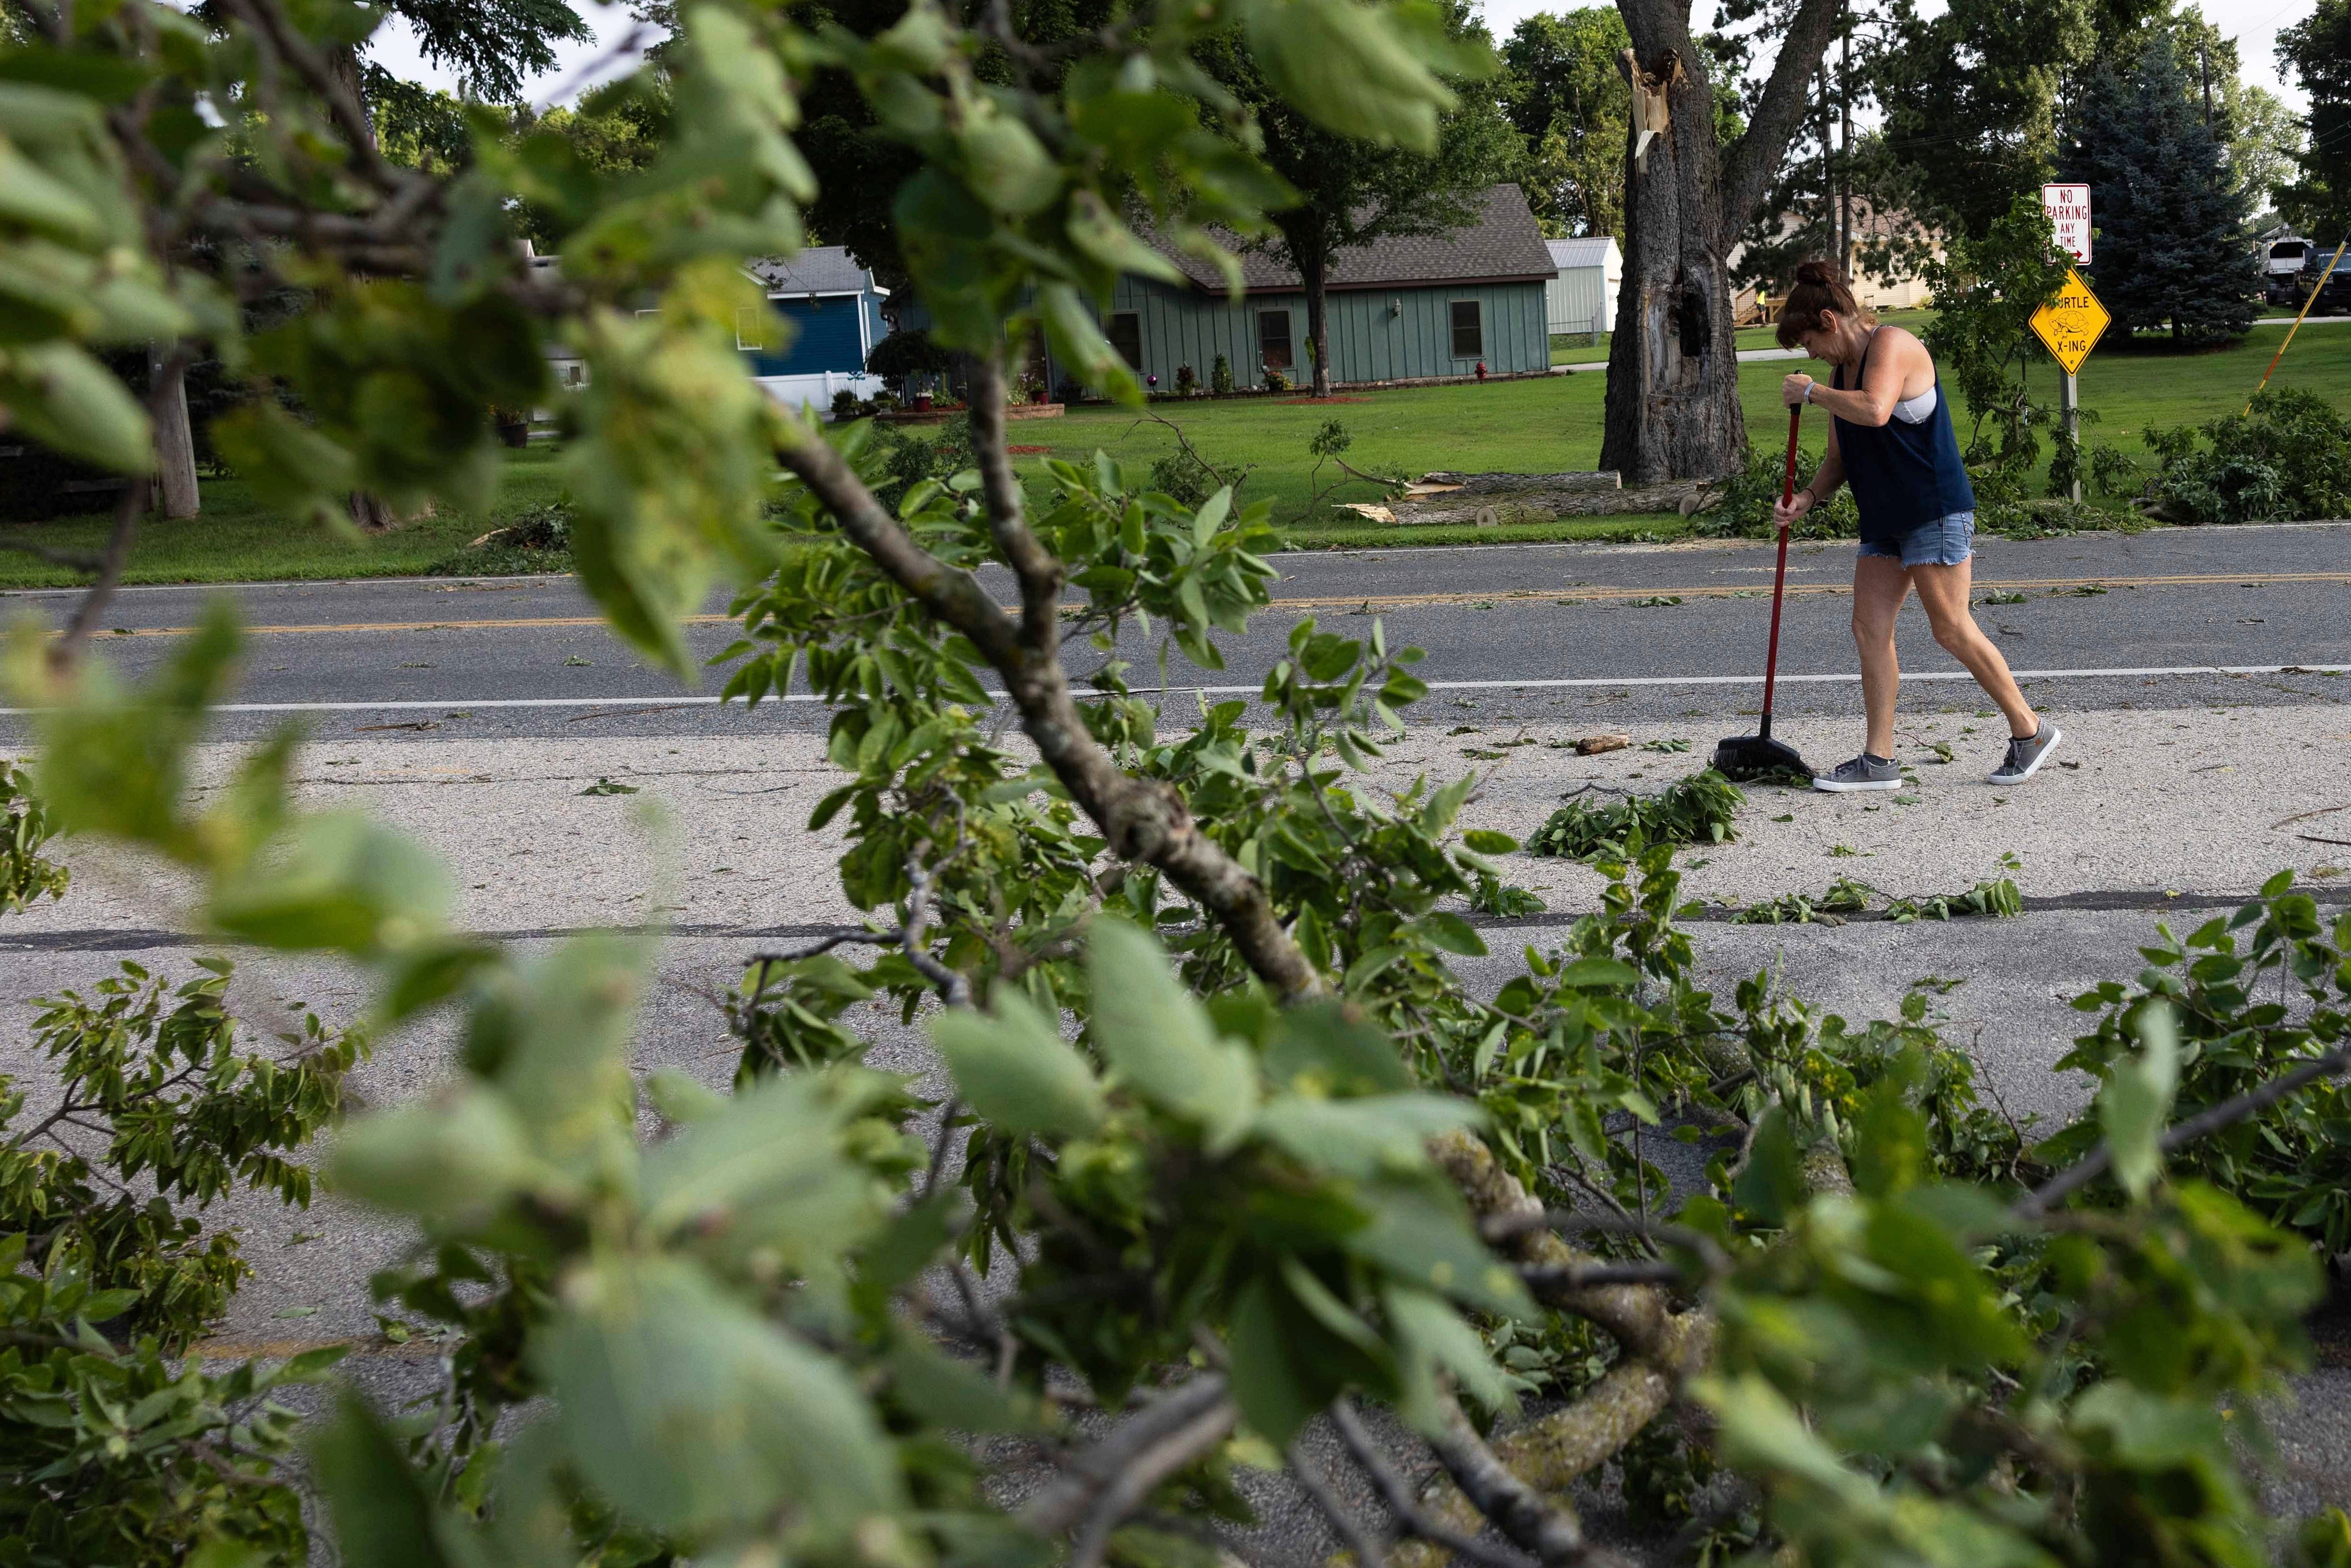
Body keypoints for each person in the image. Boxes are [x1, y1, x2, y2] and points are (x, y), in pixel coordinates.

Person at [1771, 259, 2060, 790]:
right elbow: (1840, 456)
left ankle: (2030, 731)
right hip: (1883, 516)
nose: (1810, 356)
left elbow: (1876, 409)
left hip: (1934, 508)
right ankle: (1877, 761)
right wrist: (1807, 498)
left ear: (1830, 321)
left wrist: (1810, 393)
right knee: (1868, 629)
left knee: (1949, 627)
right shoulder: (1839, 374)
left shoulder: (1893, 345)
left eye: (1809, 341)